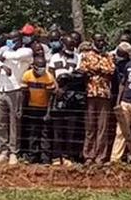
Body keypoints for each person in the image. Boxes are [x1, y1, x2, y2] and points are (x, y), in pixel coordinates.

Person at [0, 28, 34, 165]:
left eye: (13, 39)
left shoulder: (26, 51)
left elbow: (15, 56)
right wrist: (2, 65)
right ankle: (4, 150)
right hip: (0, 89)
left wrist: (3, 55)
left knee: (14, 122)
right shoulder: (4, 50)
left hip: (15, 89)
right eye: (8, 39)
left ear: (19, 40)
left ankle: (14, 151)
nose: (9, 42)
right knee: (1, 122)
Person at [49, 33, 85, 165]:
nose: (71, 46)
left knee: (71, 128)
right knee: (57, 128)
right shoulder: (54, 57)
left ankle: (67, 156)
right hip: (57, 94)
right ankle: (56, 156)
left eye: (73, 45)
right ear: (63, 44)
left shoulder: (78, 57)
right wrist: (57, 88)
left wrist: (66, 87)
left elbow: (79, 75)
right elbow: (51, 74)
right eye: (69, 44)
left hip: (71, 95)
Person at [78, 40, 115, 165]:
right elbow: (84, 70)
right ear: (94, 41)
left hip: (104, 94)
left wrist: (96, 70)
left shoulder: (108, 56)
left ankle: (100, 156)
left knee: (102, 127)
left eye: (102, 41)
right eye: (98, 40)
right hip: (90, 93)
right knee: (90, 126)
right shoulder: (86, 55)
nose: (101, 43)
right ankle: (88, 155)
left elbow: (111, 70)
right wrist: (100, 70)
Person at [21, 50, 56, 164]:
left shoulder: (49, 77)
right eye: (39, 67)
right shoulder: (27, 75)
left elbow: (51, 97)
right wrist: (22, 110)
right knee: (33, 133)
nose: (41, 69)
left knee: (45, 134)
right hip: (32, 108)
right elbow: (24, 94)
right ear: (33, 66)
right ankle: (32, 157)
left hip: (44, 108)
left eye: (43, 67)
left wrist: (48, 113)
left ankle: (45, 159)